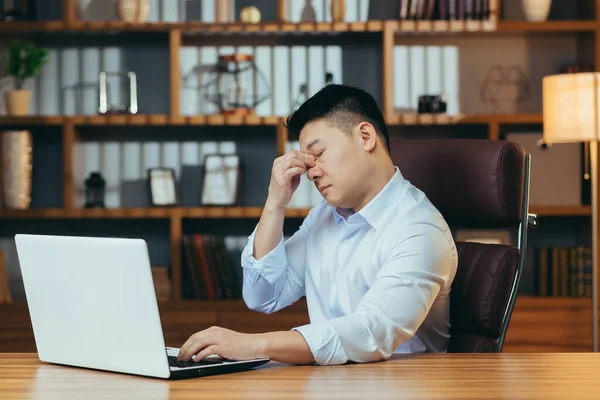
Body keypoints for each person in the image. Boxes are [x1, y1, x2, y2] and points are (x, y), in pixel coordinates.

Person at [178, 84, 458, 366]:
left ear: (365, 137)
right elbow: (263, 296)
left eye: (319, 153)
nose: (311, 172)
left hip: (399, 387)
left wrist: (254, 344)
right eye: (307, 160)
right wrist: (276, 202)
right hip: (330, 384)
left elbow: (369, 332)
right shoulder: (324, 216)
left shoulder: (419, 230)